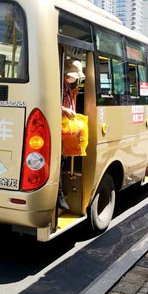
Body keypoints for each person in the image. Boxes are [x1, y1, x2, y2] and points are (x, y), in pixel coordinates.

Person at [59, 59, 85, 210]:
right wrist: (65, 109)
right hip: (59, 127)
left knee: (65, 158)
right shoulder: (59, 85)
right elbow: (54, 103)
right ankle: (59, 195)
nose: (74, 78)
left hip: (65, 127)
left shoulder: (67, 86)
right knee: (61, 160)